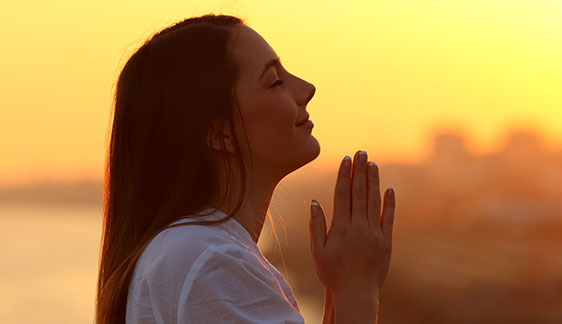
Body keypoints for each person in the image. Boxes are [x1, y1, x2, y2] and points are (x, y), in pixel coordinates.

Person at [95, 13, 397, 324]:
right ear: (220, 133)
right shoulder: (213, 261)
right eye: (274, 81)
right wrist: (358, 291)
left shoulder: (187, 251)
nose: (307, 88)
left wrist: (340, 290)